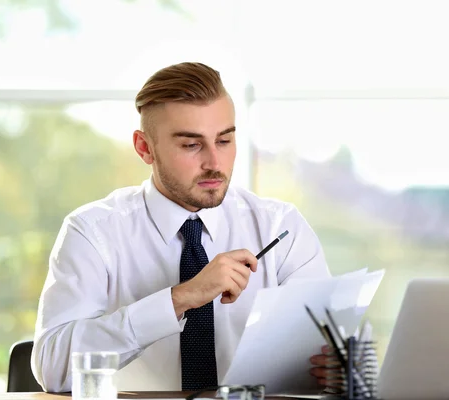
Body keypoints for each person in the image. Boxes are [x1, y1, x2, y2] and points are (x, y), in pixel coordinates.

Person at [31, 61, 336, 392]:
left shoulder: (281, 227)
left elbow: (324, 349)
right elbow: (53, 368)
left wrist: (333, 369)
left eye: (224, 141)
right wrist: (180, 298)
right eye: (191, 145)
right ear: (145, 147)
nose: (214, 163)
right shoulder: (93, 232)